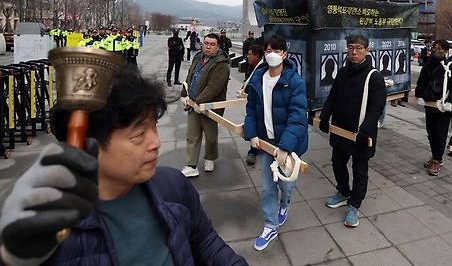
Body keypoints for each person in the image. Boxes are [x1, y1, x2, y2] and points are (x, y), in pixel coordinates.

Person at [0, 69, 248, 266]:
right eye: (138, 135)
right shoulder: (47, 229)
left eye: (155, 127)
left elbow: (204, 241)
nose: (156, 143)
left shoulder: (173, 186)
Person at [242, 35, 308, 251]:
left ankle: (285, 206)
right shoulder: (257, 80)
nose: (272, 54)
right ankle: (270, 225)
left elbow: (298, 117)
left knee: (286, 185)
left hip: (289, 146)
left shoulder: (294, 81)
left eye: (276, 51)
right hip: (266, 143)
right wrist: (251, 134)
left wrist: (286, 147)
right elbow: (251, 109)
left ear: (284, 55)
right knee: (267, 187)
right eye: (268, 50)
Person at [320, 34, 386, 228]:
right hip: (341, 129)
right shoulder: (342, 72)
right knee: (337, 163)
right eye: (350, 48)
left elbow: (377, 106)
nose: (354, 52)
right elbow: (332, 96)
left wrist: (367, 128)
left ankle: (354, 205)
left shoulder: (374, 76)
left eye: (358, 48)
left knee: (360, 171)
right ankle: (343, 192)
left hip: (362, 133)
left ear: (367, 50)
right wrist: (325, 116)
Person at [180, 33, 230, 177]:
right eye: (206, 43)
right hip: (193, 103)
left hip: (210, 106)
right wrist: (184, 94)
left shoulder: (222, 64)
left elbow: (213, 88)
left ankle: (210, 158)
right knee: (192, 135)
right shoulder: (197, 57)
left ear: (218, 47)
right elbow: (189, 76)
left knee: (211, 135)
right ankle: (191, 165)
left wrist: (198, 102)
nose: (208, 46)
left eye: (212, 44)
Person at [415, 40, 452, 175]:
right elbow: (421, 82)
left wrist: (450, 101)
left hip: (443, 106)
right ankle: (435, 155)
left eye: (440, 49)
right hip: (430, 105)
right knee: (430, 132)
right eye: (435, 48)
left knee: (440, 133)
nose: (437, 51)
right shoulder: (427, 66)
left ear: (446, 51)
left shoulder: (451, 66)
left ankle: (438, 160)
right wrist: (420, 95)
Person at [244, 43, 265, 166]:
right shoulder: (252, 66)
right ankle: (254, 148)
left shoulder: (261, 68)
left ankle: (254, 150)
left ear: (257, 56)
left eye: (250, 54)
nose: (248, 57)